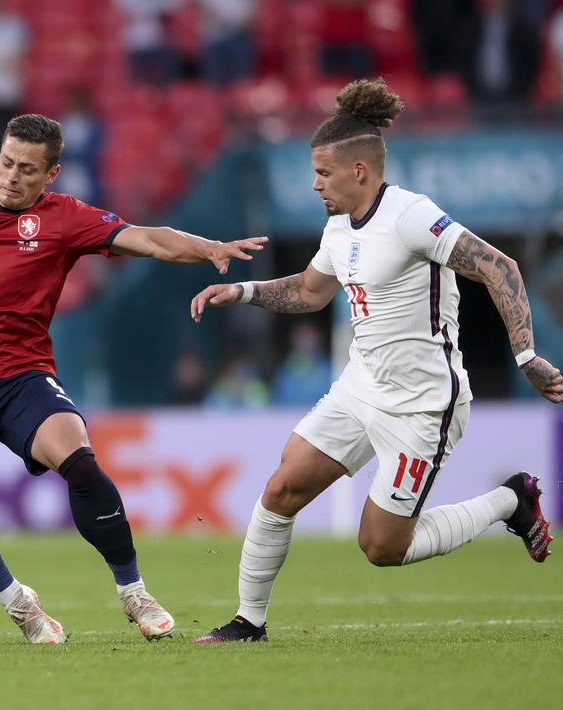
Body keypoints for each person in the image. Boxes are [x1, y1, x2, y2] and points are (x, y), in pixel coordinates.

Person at [189, 78, 560, 644]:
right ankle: (249, 621)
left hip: (422, 405)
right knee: (283, 488)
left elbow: (499, 267)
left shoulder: (412, 216)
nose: (314, 184)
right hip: (360, 389)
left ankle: (512, 500)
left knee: (381, 548)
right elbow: (312, 291)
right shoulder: (338, 225)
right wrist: (240, 292)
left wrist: (527, 354)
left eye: (323, 173)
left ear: (359, 170)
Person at [0, 113, 266, 644]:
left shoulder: (65, 218)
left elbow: (149, 240)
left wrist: (208, 249)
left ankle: (133, 590)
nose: (13, 176)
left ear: (53, 173)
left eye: (28, 170)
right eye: (7, 163)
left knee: (81, 463)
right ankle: (17, 602)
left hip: (25, 375)